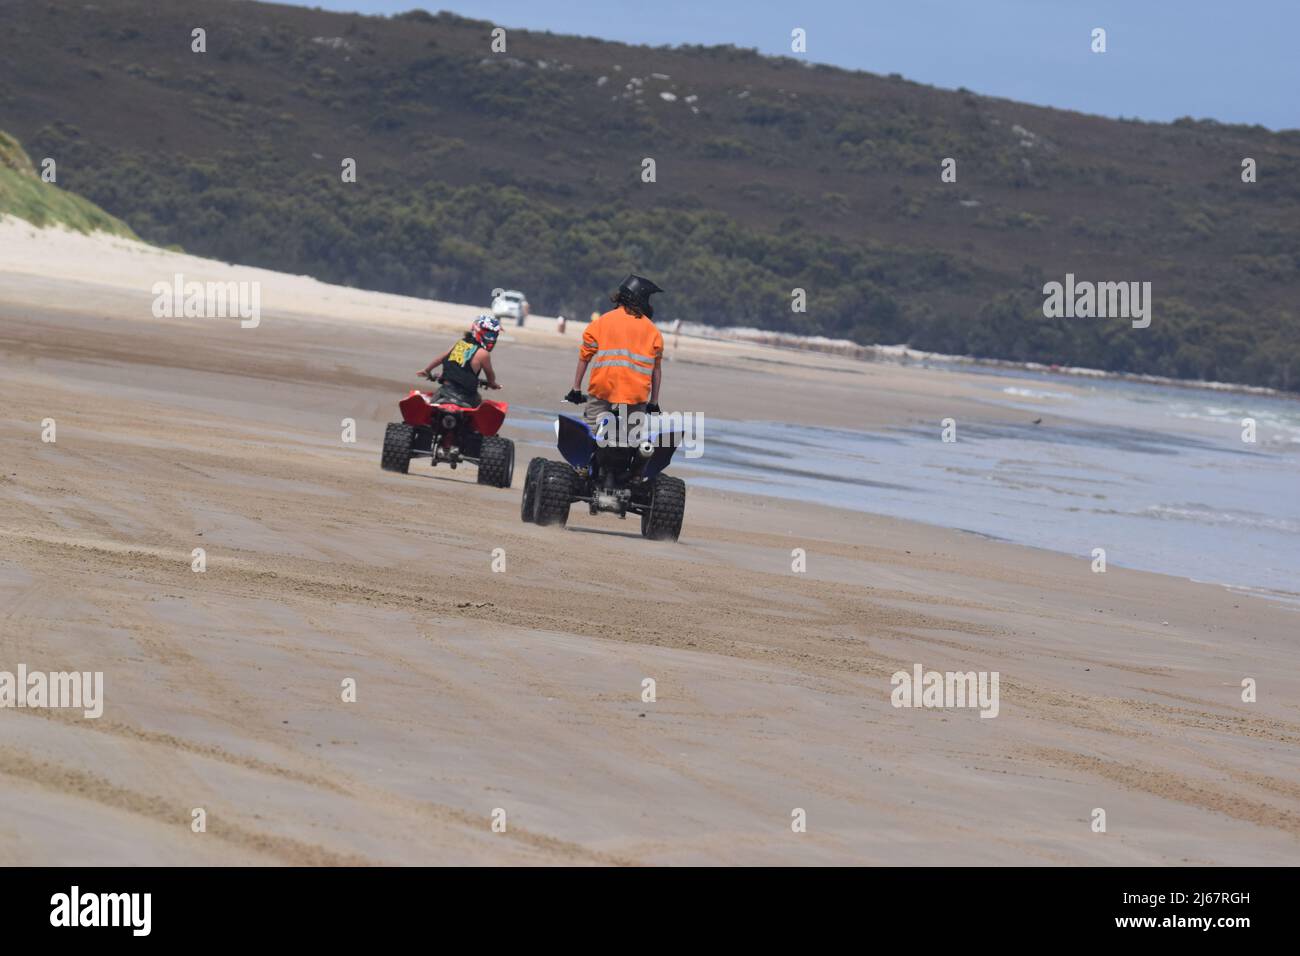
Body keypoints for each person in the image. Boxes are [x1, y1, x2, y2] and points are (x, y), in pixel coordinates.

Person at [565, 275, 664, 440]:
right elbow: (656, 371)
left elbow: (585, 357)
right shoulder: (653, 331)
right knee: (632, 438)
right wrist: (653, 402)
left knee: (590, 433)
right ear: (641, 299)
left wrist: (576, 389)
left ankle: (583, 465)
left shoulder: (602, 322)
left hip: (603, 389)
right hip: (635, 395)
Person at [419, 315, 502, 408]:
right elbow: (490, 374)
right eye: (489, 335)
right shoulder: (483, 354)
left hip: (445, 391)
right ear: (478, 331)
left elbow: (440, 359)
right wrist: (492, 383)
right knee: (479, 406)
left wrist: (427, 370)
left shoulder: (460, 344)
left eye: (495, 335)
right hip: (467, 397)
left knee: (431, 405)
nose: (492, 339)